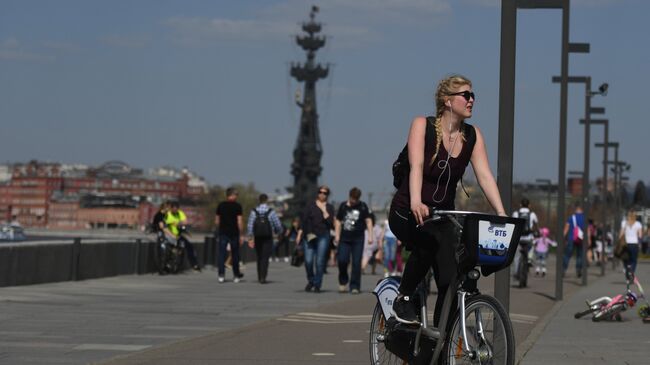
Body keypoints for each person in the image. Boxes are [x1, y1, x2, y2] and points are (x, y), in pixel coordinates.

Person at [388, 75, 507, 325]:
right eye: (466, 95)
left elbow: (485, 177)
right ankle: (404, 298)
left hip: (443, 218)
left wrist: (501, 213)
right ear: (447, 100)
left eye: (473, 95)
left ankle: (441, 341)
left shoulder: (472, 137)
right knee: (427, 243)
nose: (471, 100)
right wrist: (416, 201)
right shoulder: (423, 125)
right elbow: (417, 165)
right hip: (407, 212)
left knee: (451, 277)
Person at [296, 185, 335, 293]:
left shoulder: (330, 207)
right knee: (308, 261)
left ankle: (317, 284)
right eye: (320, 192)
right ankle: (311, 280)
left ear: (327, 195)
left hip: (323, 235)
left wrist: (323, 209)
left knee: (320, 261)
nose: (322, 194)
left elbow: (331, 223)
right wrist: (299, 233)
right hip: (309, 235)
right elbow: (303, 221)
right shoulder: (310, 205)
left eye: (325, 193)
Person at [334, 187, 373, 294]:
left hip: (358, 239)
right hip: (344, 238)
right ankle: (343, 281)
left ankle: (355, 286)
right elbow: (338, 221)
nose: (354, 201)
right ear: (349, 196)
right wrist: (337, 235)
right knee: (342, 260)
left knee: (356, 263)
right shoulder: (343, 206)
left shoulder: (363, 206)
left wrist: (370, 236)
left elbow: (368, 221)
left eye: (356, 199)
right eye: (352, 198)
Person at [247, 194, 283, 284]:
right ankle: (263, 276)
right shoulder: (271, 211)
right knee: (265, 257)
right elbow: (277, 224)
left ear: (259, 200)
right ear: (267, 200)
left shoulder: (254, 211)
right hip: (267, 237)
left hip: (258, 236)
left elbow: (250, 225)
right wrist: (279, 232)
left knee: (259, 256)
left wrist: (250, 237)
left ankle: (259, 276)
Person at [215, 187, 245, 283]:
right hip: (234, 233)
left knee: (221, 254)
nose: (237, 197)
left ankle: (221, 275)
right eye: (236, 195)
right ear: (232, 195)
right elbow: (239, 221)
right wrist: (241, 234)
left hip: (223, 233)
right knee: (235, 254)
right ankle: (236, 276)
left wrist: (221, 228)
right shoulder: (238, 206)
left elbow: (217, 221)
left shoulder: (220, 205)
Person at [164, 201, 200, 272]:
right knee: (170, 248)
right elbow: (164, 225)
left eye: (176, 209)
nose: (175, 210)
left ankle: (194, 264)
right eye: (173, 209)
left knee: (189, 246)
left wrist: (179, 223)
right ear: (171, 208)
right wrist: (171, 224)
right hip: (169, 235)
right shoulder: (167, 214)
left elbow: (185, 221)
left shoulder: (180, 213)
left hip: (178, 235)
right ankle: (167, 264)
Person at [512, 198, 538, 287]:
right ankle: (530, 259)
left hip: (518, 239)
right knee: (532, 246)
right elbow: (536, 225)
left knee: (516, 257)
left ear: (520, 205)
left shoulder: (516, 213)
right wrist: (537, 232)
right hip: (528, 238)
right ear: (529, 205)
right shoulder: (532, 214)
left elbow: (513, 225)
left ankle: (516, 273)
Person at [563, 203, 586, 278]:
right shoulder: (584, 218)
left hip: (571, 238)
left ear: (576, 210)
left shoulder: (571, 218)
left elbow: (566, 228)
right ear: (582, 210)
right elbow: (587, 230)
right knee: (580, 255)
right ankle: (578, 269)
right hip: (581, 239)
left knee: (567, 255)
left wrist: (563, 237)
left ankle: (563, 269)